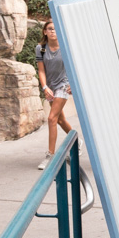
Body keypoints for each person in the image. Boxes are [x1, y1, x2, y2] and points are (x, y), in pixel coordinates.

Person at [35, 20, 82, 169]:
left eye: (55, 29)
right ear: (45, 32)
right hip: (50, 87)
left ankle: (50, 156)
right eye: (49, 29)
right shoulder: (41, 48)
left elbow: (75, 66)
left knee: (51, 118)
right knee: (60, 120)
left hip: (63, 85)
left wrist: (73, 84)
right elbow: (41, 70)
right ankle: (76, 140)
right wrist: (44, 87)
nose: (53, 31)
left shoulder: (66, 47)